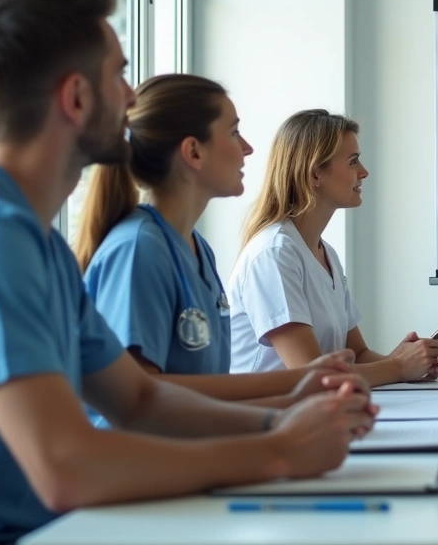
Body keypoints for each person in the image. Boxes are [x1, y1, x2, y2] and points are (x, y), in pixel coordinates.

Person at [0, 0, 375, 545]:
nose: (133, 97)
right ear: (76, 98)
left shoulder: (33, 241)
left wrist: (283, 421)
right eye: (119, 74)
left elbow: (139, 398)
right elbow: (65, 465)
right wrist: (277, 449)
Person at [74, 74, 354, 423]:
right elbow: (142, 400)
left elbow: (202, 393)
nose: (248, 148)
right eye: (234, 133)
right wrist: (288, 403)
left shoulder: (198, 250)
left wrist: (297, 403)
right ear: (193, 151)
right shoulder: (137, 251)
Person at [229, 110, 438, 385]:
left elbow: (358, 355)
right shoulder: (274, 254)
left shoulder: (325, 253)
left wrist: (414, 362)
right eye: (353, 162)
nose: (364, 172)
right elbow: (313, 375)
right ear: (315, 173)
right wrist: (398, 367)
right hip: (268, 418)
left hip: (311, 412)